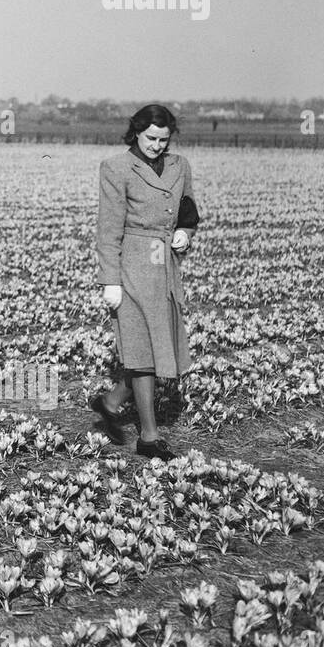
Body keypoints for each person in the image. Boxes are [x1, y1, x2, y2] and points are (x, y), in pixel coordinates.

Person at [92, 103, 200, 461]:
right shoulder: (116, 168)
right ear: (136, 133)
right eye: (150, 138)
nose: (156, 145)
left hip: (165, 269)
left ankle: (110, 402)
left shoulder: (179, 165)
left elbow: (187, 208)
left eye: (163, 139)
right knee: (142, 352)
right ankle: (149, 438)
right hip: (132, 269)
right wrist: (110, 280)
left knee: (152, 349)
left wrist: (185, 232)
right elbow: (108, 231)